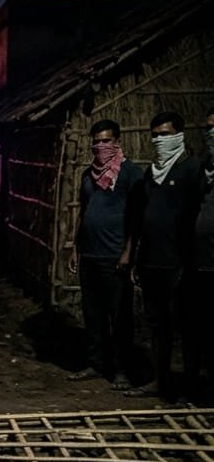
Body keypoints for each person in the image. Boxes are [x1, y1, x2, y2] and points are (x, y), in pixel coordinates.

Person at [126, 111, 204, 399]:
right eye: (155, 135)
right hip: (151, 260)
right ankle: (160, 380)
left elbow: (197, 217)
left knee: (187, 325)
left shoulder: (192, 169)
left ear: (179, 135)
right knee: (157, 325)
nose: (159, 140)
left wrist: (188, 260)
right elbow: (140, 219)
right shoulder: (152, 174)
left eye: (166, 134)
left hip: (179, 263)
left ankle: (191, 384)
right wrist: (136, 258)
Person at [66, 119, 142, 390]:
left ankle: (121, 370)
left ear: (117, 141)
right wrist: (76, 248)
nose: (101, 146)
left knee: (119, 316)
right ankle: (96, 363)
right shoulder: (88, 175)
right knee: (92, 313)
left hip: (115, 257)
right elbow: (83, 211)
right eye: (96, 141)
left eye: (106, 140)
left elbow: (136, 217)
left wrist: (128, 253)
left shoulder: (130, 173)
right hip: (90, 255)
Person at [180, 108, 214, 401]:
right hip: (196, 265)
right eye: (208, 128)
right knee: (194, 330)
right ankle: (193, 387)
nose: (211, 134)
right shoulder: (201, 171)